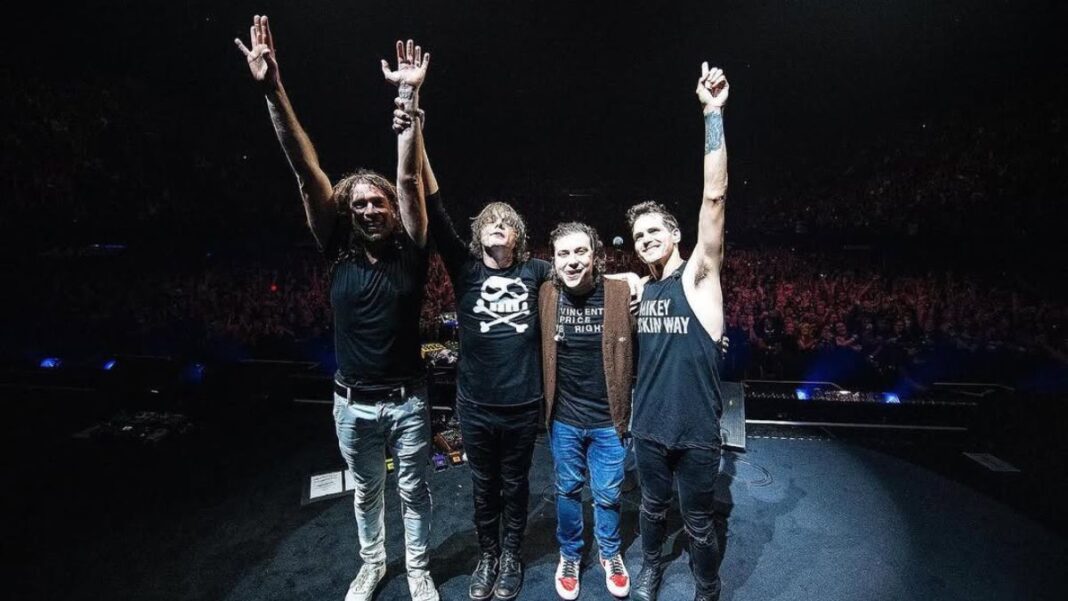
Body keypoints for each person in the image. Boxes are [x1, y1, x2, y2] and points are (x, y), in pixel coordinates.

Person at [235, 19, 437, 601]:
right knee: (367, 491)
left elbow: (409, 179)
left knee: (414, 492)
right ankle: (372, 564)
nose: (371, 209)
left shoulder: (412, 250)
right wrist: (274, 90)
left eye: (380, 202)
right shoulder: (336, 250)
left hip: (408, 402)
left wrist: (408, 99)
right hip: (351, 404)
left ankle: (418, 568)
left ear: (393, 211)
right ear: (348, 211)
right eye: (361, 203)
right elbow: (306, 172)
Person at [628, 64, 730, 601]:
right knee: (649, 508)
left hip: (695, 431)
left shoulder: (698, 277)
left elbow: (714, 199)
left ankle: (707, 586)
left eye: (654, 231)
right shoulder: (641, 289)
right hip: (648, 427)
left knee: (698, 522)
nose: (645, 239)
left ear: (675, 234)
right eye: (637, 235)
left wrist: (712, 113)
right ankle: (650, 569)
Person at [537, 222, 634, 600]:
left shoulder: (620, 292)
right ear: (553, 259)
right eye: (564, 253)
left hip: (610, 420)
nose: (572, 261)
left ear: (596, 255)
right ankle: (570, 554)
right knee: (567, 490)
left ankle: (610, 553)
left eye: (581, 252)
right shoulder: (546, 293)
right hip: (564, 419)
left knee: (608, 494)